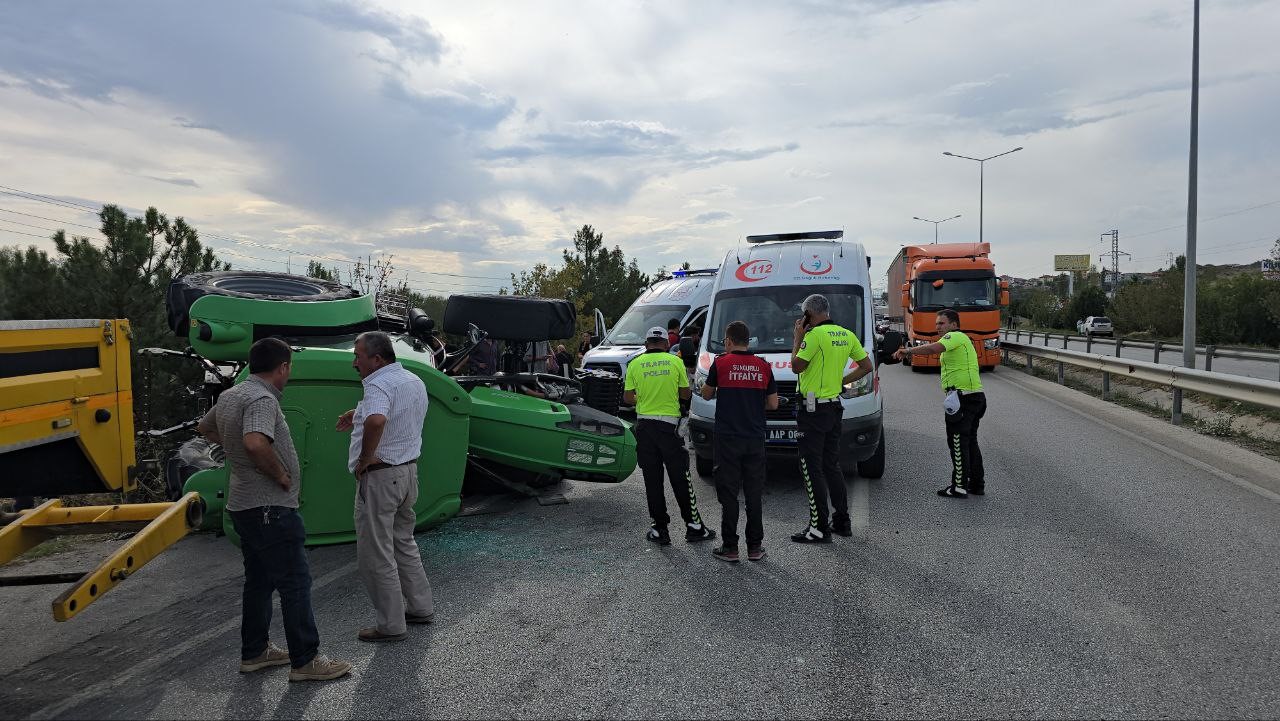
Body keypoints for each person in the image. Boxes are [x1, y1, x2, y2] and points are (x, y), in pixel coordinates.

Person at [197, 337, 351, 683]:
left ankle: (255, 652)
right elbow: (255, 441)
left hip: (244, 505)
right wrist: (279, 473)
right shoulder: (262, 399)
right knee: (295, 582)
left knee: (259, 581)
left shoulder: (232, 394)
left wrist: (234, 449)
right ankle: (306, 660)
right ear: (283, 367)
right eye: (289, 368)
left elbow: (205, 428)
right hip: (269, 507)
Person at [337, 331, 435, 643]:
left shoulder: (378, 383)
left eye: (358, 356)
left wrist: (365, 458)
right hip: (408, 473)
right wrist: (358, 414)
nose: (354, 362)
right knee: (403, 543)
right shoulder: (412, 380)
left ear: (377, 359)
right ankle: (420, 606)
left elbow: (379, 420)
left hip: (381, 477)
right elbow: (392, 414)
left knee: (375, 554)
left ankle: (391, 625)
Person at [790, 294, 874, 544]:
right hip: (834, 407)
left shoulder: (813, 336)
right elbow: (867, 365)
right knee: (831, 465)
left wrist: (798, 338)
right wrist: (841, 381)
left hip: (813, 412)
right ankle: (842, 521)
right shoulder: (846, 334)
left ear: (809, 314)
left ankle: (818, 527)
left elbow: (796, 366)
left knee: (810, 466)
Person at [624, 326, 715, 546]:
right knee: (681, 478)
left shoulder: (634, 364)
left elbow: (628, 398)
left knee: (652, 481)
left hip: (645, 427)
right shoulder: (675, 361)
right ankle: (694, 526)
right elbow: (685, 393)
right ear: (666, 344)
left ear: (646, 344)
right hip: (669, 428)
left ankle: (659, 529)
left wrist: (644, 400)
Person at [701, 321, 778, 562]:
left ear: (729, 341)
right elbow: (774, 404)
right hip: (754, 438)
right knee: (754, 494)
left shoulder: (720, 363)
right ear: (748, 340)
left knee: (729, 493)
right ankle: (755, 548)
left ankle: (730, 548)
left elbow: (706, 393)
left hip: (727, 439)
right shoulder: (763, 366)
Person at [893, 309, 987, 498]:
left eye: (941, 323)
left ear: (953, 324)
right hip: (974, 396)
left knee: (958, 443)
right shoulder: (961, 340)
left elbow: (933, 348)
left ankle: (959, 486)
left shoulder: (955, 336)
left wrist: (908, 350)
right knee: (969, 442)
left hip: (963, 399)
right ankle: (976, 484)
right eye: (936, 324)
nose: (937, 327)